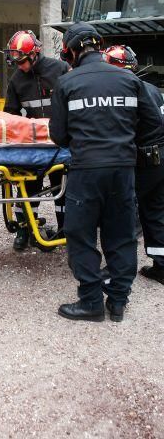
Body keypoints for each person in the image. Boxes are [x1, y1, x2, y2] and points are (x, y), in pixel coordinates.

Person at [50, 23, 163, 322]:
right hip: (123, 170)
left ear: (72, 51)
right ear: (99, 47)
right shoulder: (129, 79)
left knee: (80, 233)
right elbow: (153, 125)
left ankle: (90, 302)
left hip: (86, 171)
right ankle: (118, 302)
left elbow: (58, 135)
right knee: (121, 233)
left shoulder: (67, 82)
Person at [4, 30, 69, 250]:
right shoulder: (16, 80)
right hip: (33, 147)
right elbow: (10, 114)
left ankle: (64, 229)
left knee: (62, 188)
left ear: (34, 54)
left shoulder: (59, 69)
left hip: (60, 144)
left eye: (22, 61)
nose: (19, 66)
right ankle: (25, 229)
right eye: (16, 61)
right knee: (28, 188)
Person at [104, 45, 164, 286]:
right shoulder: (151, 88)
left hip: (143, 160)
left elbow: (121, 130)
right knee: (156, 211)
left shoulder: (124, 92)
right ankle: (162, 266)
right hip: (160, 158)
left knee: (123, 213)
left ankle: (116, 268)